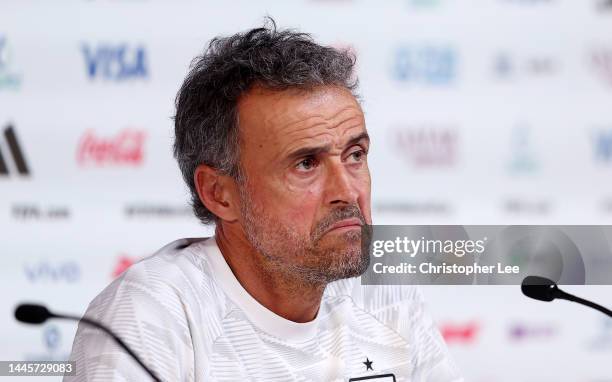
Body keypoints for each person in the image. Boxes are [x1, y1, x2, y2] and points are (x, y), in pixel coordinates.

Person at [66, 19, 462, 382]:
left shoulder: (385, 295)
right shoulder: (152, 317)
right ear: (219, 194)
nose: (347, 191)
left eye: (355, 155)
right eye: (306, 164)